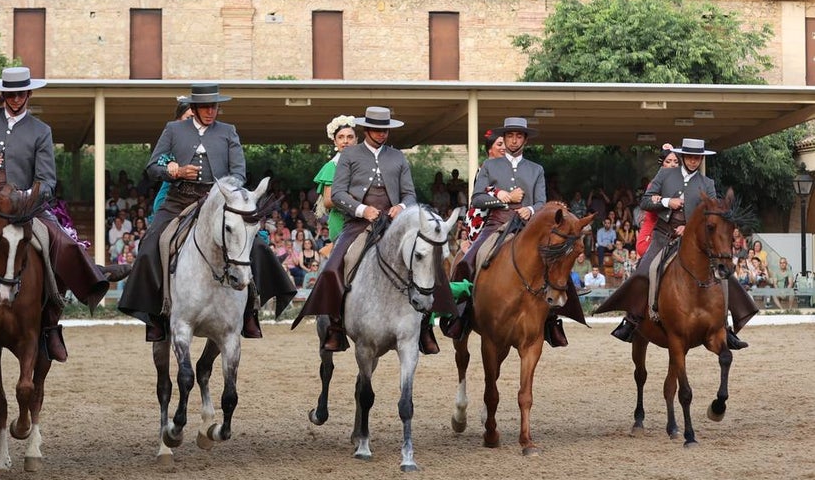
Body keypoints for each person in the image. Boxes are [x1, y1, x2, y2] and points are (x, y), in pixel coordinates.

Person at [0, 66, 128, 362]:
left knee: (65, 246)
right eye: (11, 93)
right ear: (3, 93)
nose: (16, 98)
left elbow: (48, 182)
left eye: (21, 93)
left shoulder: (41, 130)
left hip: (25, 204)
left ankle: (53, 323)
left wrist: (25, 198)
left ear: (29, 93)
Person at [118, 83, 296, 342]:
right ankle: (154, 314)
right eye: (205, 107)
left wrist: (222, 190)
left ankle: (250, 311)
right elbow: (152, 165)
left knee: (255, 245)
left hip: (218, 202)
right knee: (151, 244)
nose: (211, 111)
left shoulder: (228, 131)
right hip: (179, 200)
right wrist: (174, 172)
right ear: (194, 107)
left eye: (214, 106)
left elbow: (238, 173)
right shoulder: (173, 129)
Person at [292, 106, 434, 354]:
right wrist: (361, 210)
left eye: (385, 130)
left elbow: (410, 194)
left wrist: (401, 206)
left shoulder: (398, 157)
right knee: (335, 265)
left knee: (425, 260)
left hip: (394, 226)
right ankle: (336, 326)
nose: (382, 134)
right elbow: (336, 194)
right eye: (377, 130)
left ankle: (426, 328)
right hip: (358, 225)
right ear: (367, 129)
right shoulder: (349, 156)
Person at [599, 138, 757, 350]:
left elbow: (712, 215)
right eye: (690, 157)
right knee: (644, 270)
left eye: (697, 157)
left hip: (692, 240)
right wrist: (667, 202)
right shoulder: (665, 175)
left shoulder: (707, 183)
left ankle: (726, 326)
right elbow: (645, 200)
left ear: (701, 158)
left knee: (724, 275)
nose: (693, 161)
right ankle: (632, 319)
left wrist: (691, 226)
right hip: (663, 234)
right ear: (683, 157)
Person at [452, 117, 582, 347]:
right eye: (510, 136)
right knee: (467, 261)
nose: (514, 140)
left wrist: (529, 209)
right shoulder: (489, 166)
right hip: (495, 225)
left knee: (556, 262)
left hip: (528, 228)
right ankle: (461, 315)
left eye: (518, 136)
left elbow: (542, 201)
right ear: (504, 138)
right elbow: (477, 198)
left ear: (525, 139)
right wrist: (500, 198)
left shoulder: (536, 169)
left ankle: (552, 320)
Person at [313, 114, 358, 250]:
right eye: (341, 137)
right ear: (335, 142)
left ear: (356, 140)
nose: (345, 141)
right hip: (342, 222)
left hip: (365, 221)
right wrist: (355, 201)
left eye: (350, 137)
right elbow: (328, 201)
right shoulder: (332, 166)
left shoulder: (365, 164)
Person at [149, 97, 195, 218]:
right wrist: (169, 163)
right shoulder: (172, 136)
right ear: (178, 120)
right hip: (171, 198)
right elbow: (159, 160)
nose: (192, 123)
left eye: (196, 119)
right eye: (188, 118)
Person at [637, 144, 679, 257]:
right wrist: (665, 201)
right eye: (668, 161)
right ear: (662, 164)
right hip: (654, 231)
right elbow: (647, 203)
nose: (672, 164)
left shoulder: (684, 183)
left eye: (676, 161)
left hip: (677, 231)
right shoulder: (655, 184)